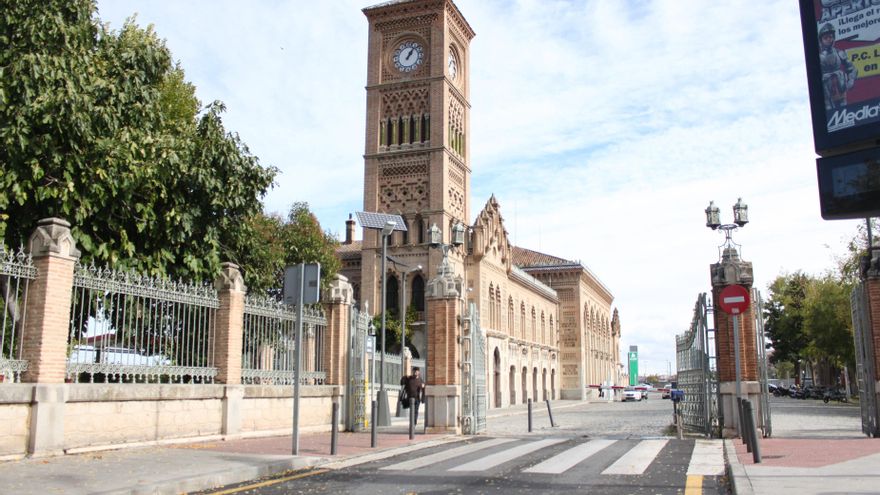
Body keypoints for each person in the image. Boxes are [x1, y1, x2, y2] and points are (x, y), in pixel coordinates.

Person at [819, 22, 857, 111]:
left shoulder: (839, 53)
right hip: (826, 90)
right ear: (821, 40)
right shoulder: (818, 58)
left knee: (844, 109)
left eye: (830, 37)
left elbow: (852, 69)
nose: (829, 39)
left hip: (841, 87)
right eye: (825, 38)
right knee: (829, 111)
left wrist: (851, 80)